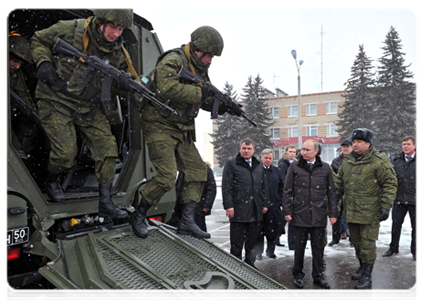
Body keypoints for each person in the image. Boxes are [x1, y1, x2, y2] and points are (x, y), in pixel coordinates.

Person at [30, 9, 134, 220]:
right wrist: (44, 63)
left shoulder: (119, 53)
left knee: (108, 149)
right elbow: (38, 40)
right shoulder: (72, 30)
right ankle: (50, 180)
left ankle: (105, 201)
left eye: (121, 29)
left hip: (87, 106)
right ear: (101, 23)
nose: (116, 34)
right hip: (56, 99)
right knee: (65, 155)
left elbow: (117, 87)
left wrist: (124, 84)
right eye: (113, 27)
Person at [131, 26, 231, 240]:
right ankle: (139, 213)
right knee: (167, 177)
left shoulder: (199, 68)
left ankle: (186, 221)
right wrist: (200, 92)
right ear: (197, 49)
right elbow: (166, 89)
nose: (210, 61)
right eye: (209, 56)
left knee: (197, 172)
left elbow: (202, 97)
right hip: (159, 124)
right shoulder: (173, 60)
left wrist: (219, 105)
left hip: (181, 128)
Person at [334, 128, 397, 291]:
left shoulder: (379, 161)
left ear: (368, 144)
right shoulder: (347, 161)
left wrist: (385, 206)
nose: (355, 145)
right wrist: (333, 203)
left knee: (367, 245)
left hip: (370, 213)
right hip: (351, 212)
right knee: (356, 243)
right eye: (354, 142)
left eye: (358, 142)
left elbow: (390, 183)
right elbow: (339, 184)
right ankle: (362, 267)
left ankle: (367, 274)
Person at [282, 139, 338, 290]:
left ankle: (318, 276)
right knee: (299, 248)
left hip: (318, 215)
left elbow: (332, 192)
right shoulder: (295, 166)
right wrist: (287, 211)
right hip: (299, 214)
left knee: (318, 248)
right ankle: (298, 274)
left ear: (316, 152)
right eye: (303, 149)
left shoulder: (325, 168)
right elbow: (287, 190)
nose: (303, 152)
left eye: (307, 150)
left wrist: (333, 213)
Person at [222, 138, 269, 268]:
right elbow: (227, 187)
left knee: (252, 241)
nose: (246, 151)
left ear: (253, 150)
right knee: (236, 242)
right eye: (244, 148)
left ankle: (250, 263)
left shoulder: (258, 165)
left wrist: (265, 203)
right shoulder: (232, 164)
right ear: (240, 149)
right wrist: (229, 206)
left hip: (255, 209)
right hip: (238, 209)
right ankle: (235, 266)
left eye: (249, 149)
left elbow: (264, 186)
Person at [383, 136, 420, 261]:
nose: (405, 146)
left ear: (414, 146)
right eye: (404, 144)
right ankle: (393, 248)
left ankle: (416, 251)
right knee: (396, 225)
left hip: (417, 200)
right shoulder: (396, 160)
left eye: (408, 144)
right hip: (399, 198)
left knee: (417, 227)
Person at [9, 33, 40, 160]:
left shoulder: (16, 75)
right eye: (15, 61)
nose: (17, 66)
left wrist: (35, 116)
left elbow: (24, 97)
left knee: (29, 127)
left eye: (20, 64)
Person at [168, 162, 217, 232]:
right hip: (182, 207)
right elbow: (178, 186)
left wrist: (207, 205)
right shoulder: (184, 170)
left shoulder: (205, 170)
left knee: (198, 229)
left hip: (198, 206)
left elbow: (211, 189)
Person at [256, 149, 284, 260]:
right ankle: (258, 252)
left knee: (272, 230)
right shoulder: (256, 170)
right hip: (260, 206)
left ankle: (270, 251)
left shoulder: (277, 171)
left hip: (274, 206)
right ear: (261, 158)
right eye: (266, 158)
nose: (268, 160)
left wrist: (280, 200)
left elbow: (281, 187)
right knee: (259, 231)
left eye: (270, 158)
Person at [328, 139, 353, 246]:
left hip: (351, 192)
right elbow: (333, 177)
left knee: (351, 217)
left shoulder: (355, 160)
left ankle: (353, 239)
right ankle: (335, 238)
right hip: (338, 192)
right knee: (336, 215)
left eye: (347, 146)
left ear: (351, 147)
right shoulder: (336, 161)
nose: (345, 148)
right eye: (343, 146)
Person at [277, 144, 297, 249]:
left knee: (288, 219)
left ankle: (277, 236)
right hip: (286, 194)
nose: (292, 153)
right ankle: (289, 242)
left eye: (294, 152)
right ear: (286, 152)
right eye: (290, 151)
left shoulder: (295, 163)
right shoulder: (283, 163)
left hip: (293, 194)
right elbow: (283, 179)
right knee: (287, 218)